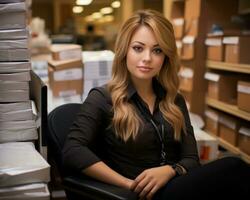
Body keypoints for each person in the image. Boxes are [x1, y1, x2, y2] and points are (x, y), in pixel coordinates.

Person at [63, 9, 250, 200]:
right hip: (140, 193)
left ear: (166, 57)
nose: (147, 58)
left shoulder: (174, 100)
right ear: (124, 51)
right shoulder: (103, 98)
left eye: (157, 50)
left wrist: (170, 170)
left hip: (176, 185)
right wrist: (127, 184)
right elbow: (72, 151)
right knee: (234, 166)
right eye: (138, 48)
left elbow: (191, 159)